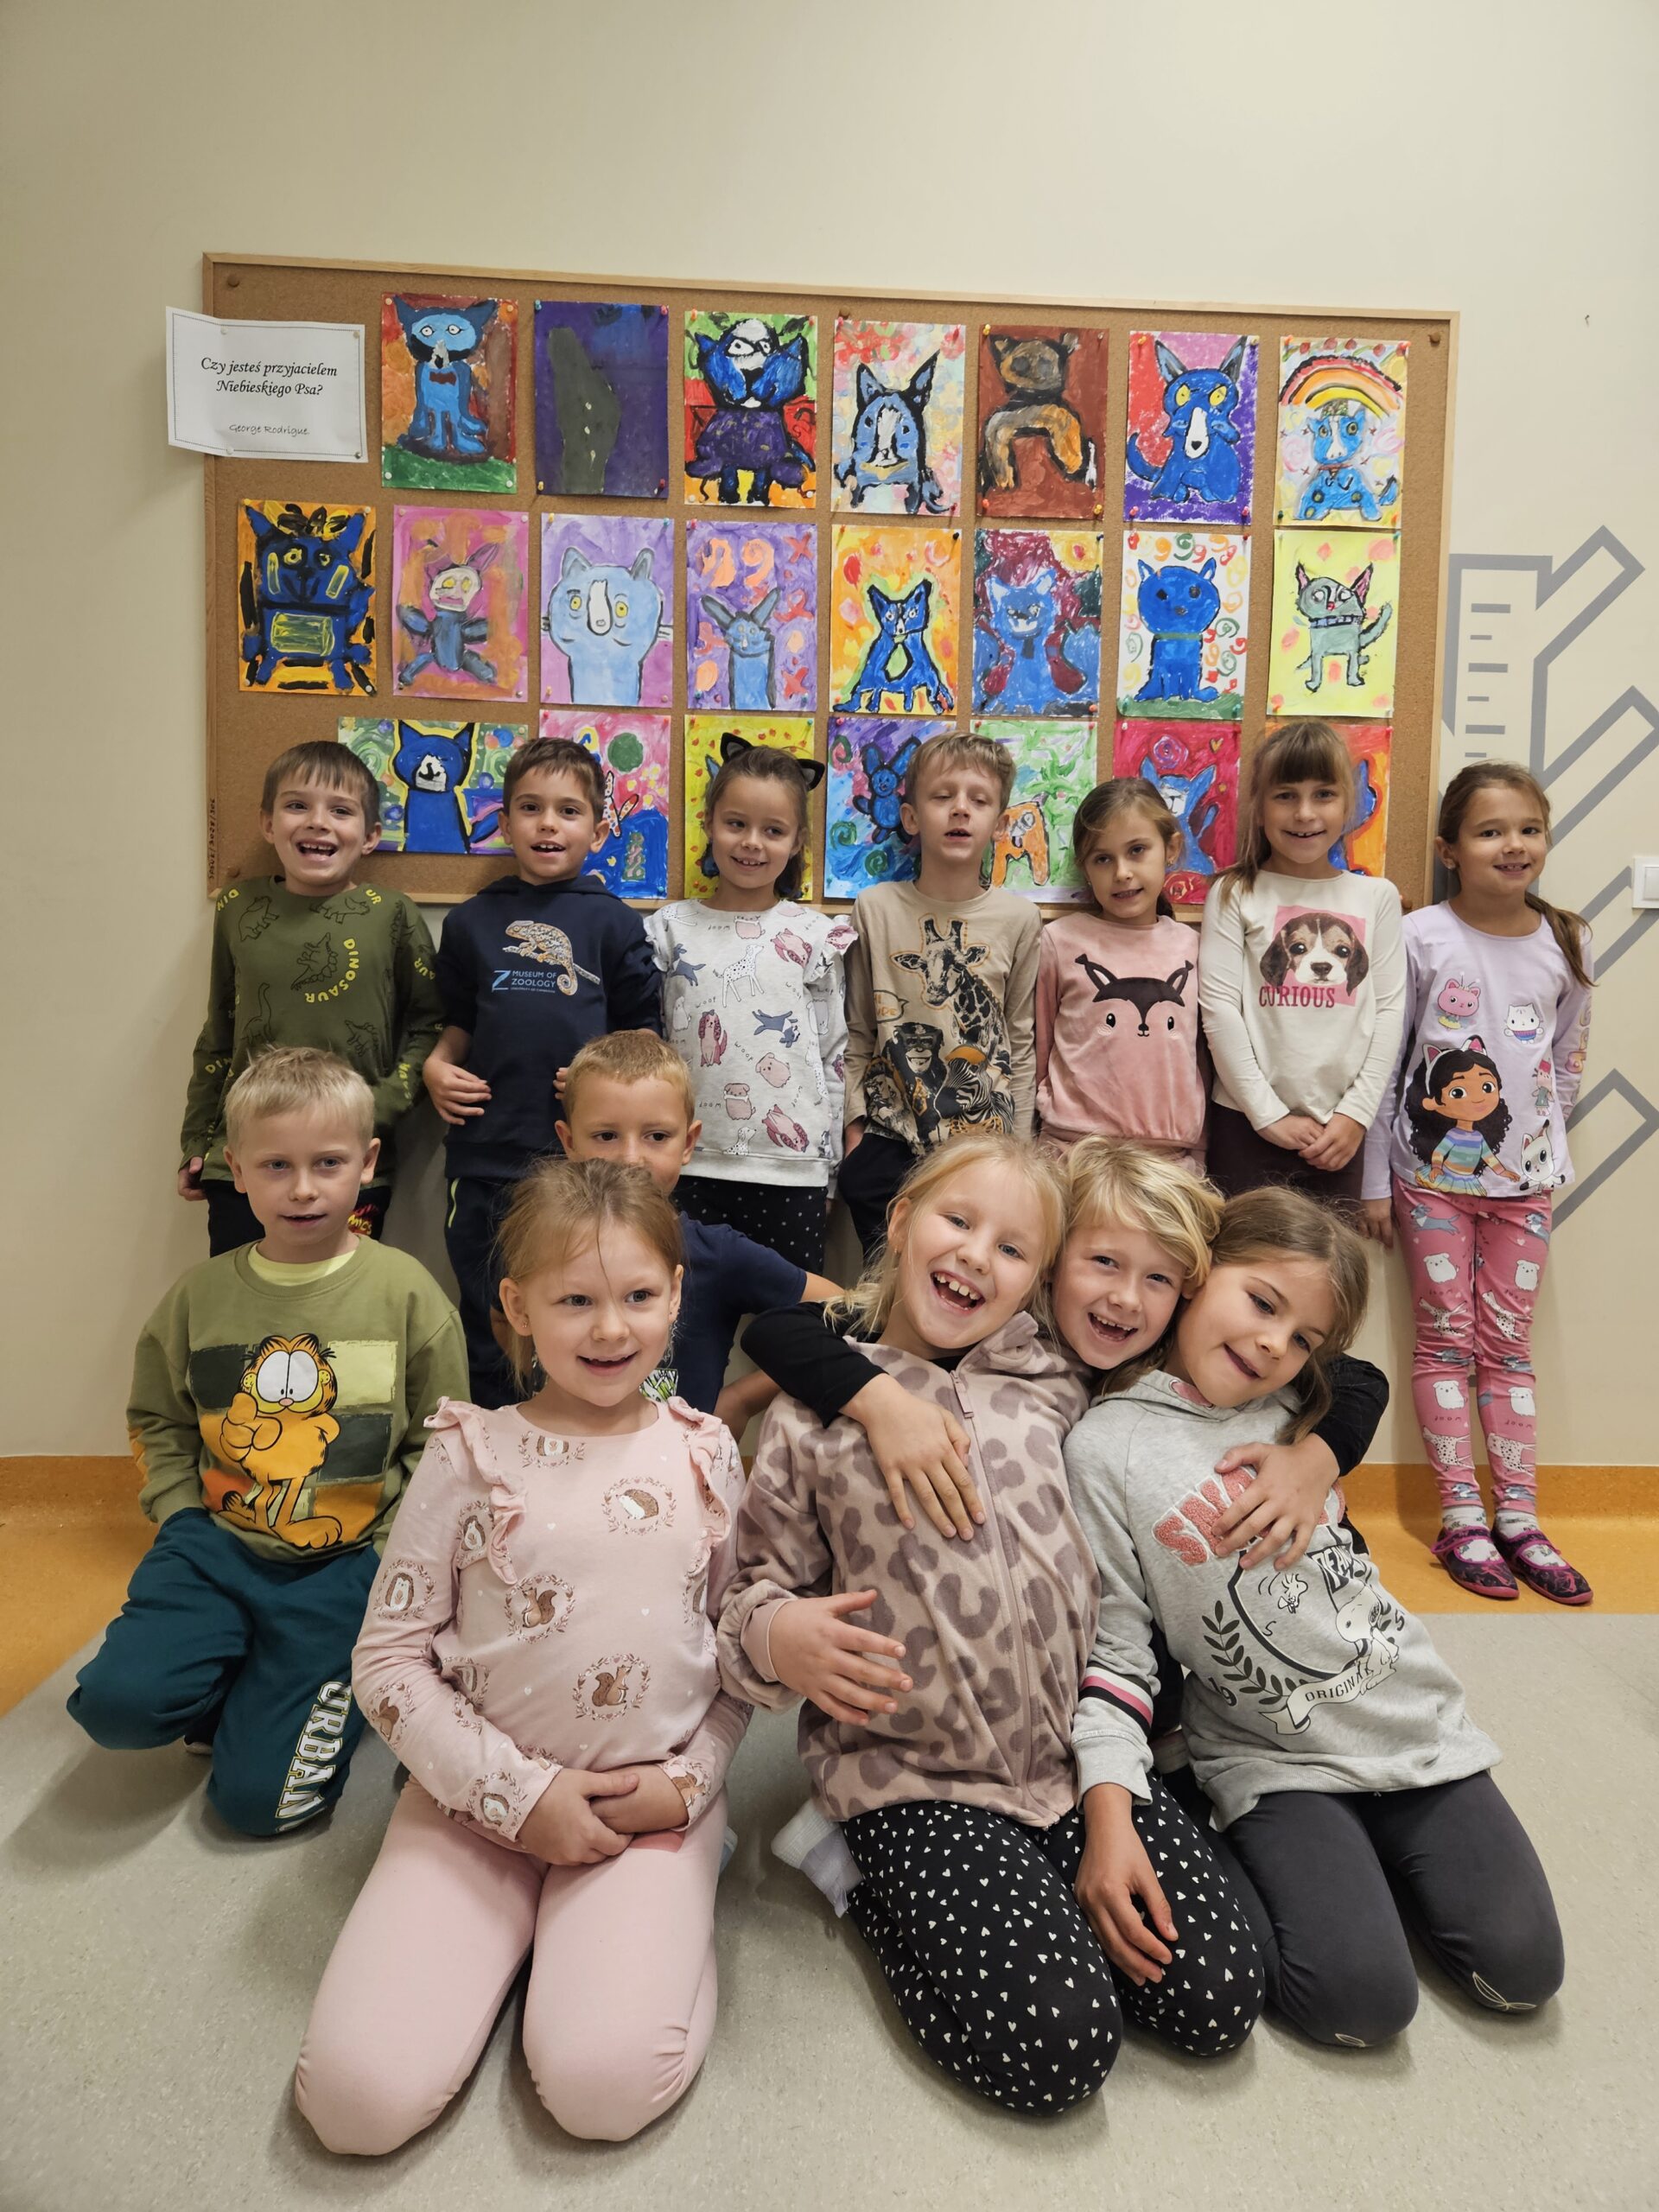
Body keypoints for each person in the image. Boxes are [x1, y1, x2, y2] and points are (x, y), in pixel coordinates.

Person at [718, 1132, 1263, 2115]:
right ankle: (849, 1868)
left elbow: (1316, 1366)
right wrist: (778, 1636)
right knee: (1058, 2051)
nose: (976, 1255)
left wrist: (1314, 1456)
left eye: (1013, 1248)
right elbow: (748, 1594)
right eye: (957, 1222)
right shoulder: (812, 1414)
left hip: (1073, 1760)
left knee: (1221, 1995)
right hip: (912, 1777)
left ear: (1038, 1281)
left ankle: (1042, 1881)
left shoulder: (1068, 1381)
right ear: (900, 1221)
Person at [296, 1160, 748, 2153]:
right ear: (517, 1305)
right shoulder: (469, 1453)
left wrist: (690, 1785)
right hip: (474, 1804)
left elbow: (733, 1656)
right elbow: (387, 1663)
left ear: (676, 1293)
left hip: (644, 1806)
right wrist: (516, 1797)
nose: (610, 1328)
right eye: (575, 1300)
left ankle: (661, 1911)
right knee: (354, 2104)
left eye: (638, 1296)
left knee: (601, 2090)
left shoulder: (707, 1450)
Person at [1065, 1186, 1564, 2049]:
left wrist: (1314, 1457)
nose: (1274, 1344)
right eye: (1262, 1303)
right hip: (1274, 1760)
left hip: (1408, 1726)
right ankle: (1320, 1863)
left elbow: (1363, 1379)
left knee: (1523, 1975)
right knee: (1359, 2007)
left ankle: (1386, 1857)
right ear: (1198, 1275)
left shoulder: (1307, 1405)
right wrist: (1108, 1799)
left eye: (1303, 1338)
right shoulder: (1104, 1448)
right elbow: (1117, 1648)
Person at [70, 1049, 466, 1834]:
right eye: (277, 1165)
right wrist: (180, 1515)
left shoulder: (408, 1294)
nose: (304, 1188)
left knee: (262, 1808)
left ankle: (320, 1675)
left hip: (344, 1567)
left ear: (368, 1163)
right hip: (212, 1550)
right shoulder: (199, 1297)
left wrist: (387, 1554)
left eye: (328, 1163)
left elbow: (445, 1443)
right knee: (114, 1707)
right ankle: (232, 1670)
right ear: (237, 1170)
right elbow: (158, 1418)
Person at [1360, 762, 1595, 1605]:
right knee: (1445, 1344)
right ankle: (1461, 1516)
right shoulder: (1421, 936)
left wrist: (1538, 1144)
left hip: (1524, 1184)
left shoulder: (1568, 939)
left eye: (1528, 829)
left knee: (1508, 1351)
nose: (1513, 845)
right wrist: (1375, 1181)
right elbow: (1387, 1065)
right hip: (1427, 1181)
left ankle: (1520, 1520)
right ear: (1449, 849)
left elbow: (1567, 1059)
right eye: (1491, 831)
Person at [423, 735, 661, 1407]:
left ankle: (578, 1430)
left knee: (579, 1308)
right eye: (530, 808)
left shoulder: (615, 923)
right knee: (490, 1311)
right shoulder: (471, 921)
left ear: (598, 831)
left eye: (568, 810)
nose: (548, 824)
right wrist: (436, 1067)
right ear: (505, 823)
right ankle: (494, 1437)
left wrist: (598, 1075)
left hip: (585, 1167)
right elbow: (458, 1023)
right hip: (486, 1152)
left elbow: (645, 1038)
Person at [178, 741, 442, 1253]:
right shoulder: (239, 906)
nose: (318, 823)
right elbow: (219, 1033)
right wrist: (196, 1139)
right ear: (267, 823)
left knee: (339, 1294)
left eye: (340, 811)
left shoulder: (393, 914)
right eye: (297, 805)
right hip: (246, 1158)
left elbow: (430, 1024)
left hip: (349, 1161)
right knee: (244, 1292)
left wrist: (376, 1106)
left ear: (370, 836)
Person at [554, 1029, 839, 1431]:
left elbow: (845, 1312)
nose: (631, 1158)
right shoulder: (544, 1245)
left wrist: (744, 1398)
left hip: (684, 1468)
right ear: (569, 1141)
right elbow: (506, 1327)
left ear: (687, 1143)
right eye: (606, 1136)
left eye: (657, 1136)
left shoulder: (719, 1253)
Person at [647, 738, 853, 1274]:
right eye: (736, 824)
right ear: (709, 823)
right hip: (686, 1167)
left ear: (797, 841)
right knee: (679, 1315)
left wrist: (831, 1172)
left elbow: (834, 1057)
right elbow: (649, 1052)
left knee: (792, 1320)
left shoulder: (814, 936)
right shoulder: (669, 929)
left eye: (773, 830)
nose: (752, 843)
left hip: (792, 1172)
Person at [840, 733, 1042, 1256]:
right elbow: (858, 1031)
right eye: (943, 796)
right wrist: (855, 1133)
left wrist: (1017, 1151)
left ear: (1000, 825)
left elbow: (1019, 1041)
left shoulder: (1020, 920)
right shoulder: (875, 909)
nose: (960, 809)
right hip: (890, 1137)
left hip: (980, 1143)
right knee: (886, 1284)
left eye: (979, 799)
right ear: (910, 818)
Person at [1198, 720, 1405, 1208]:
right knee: (1242, 1252)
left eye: (1324, 795)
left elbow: (1390, 1011)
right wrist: (1266, 1114)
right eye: (1286, 796)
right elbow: (1220, 1010)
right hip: (1245, 1122)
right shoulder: (1234, 892)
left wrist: (1356, 1115)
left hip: (1339, 1133)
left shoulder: (1377, 897)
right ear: (1259, 806)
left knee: (1330, 1257)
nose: (1305, 813)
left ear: (1349, 804)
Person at [1034, 778, 1207, 1166]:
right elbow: (1040, 1046)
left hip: (1168, 1158)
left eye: (1137, 850)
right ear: (1084, 867)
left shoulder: (1193, 947)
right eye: (1103, 859)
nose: (1122, 872)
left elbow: (1201, 1059)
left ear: (1171, 849)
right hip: (1072, 1151)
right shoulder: (1060, 941)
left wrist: (1199, 1148)